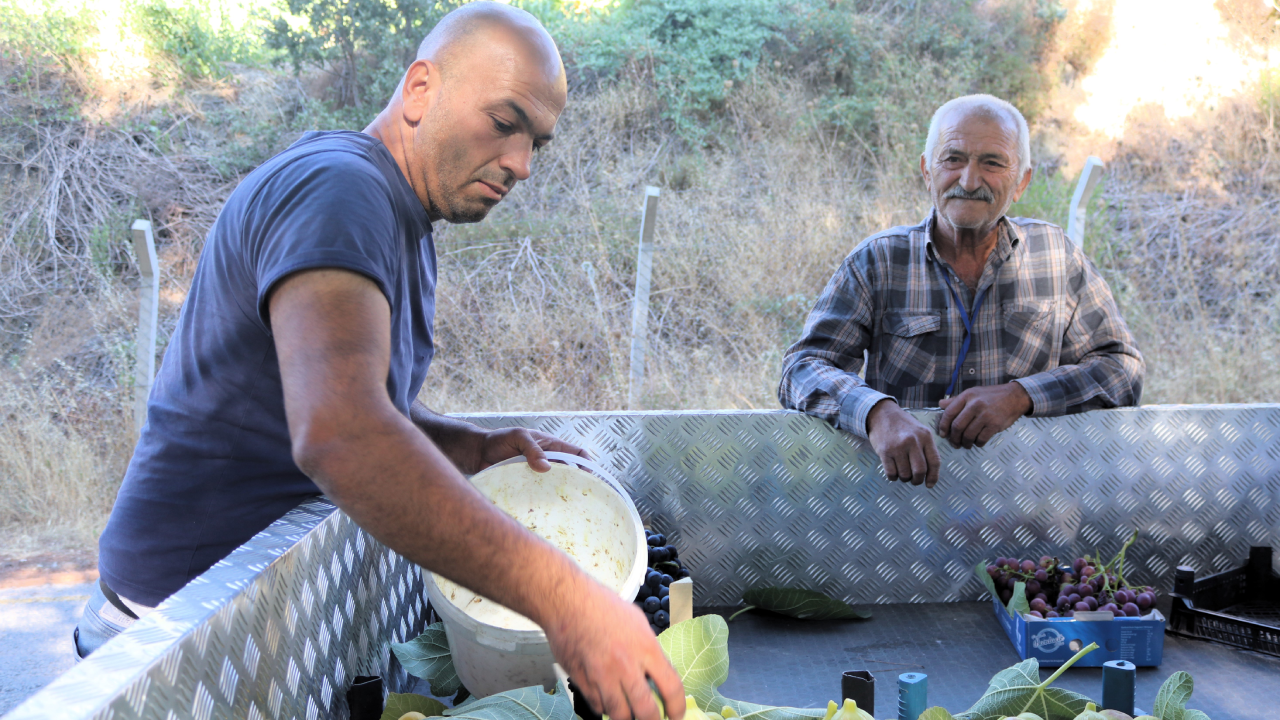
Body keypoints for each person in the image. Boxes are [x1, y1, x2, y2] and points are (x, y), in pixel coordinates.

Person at [80, 5, 685, 720]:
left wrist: (473, 446)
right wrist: (565, 599)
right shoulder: (339, 191)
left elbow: (356, 402)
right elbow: (343, 432)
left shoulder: (396, 215)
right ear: (421, 89)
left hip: (255, 613)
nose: (521, 163)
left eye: (536, 143)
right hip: (176, 637)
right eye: (503, 123)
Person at [778, 94, 1143, 489]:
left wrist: (1022, 395)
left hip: (1031, 505)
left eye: (992, 163)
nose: (969, 181)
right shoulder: (878, 261)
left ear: (1022, 181)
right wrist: (875, 412)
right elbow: (802, 368)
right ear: (926, 171)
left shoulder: (1058, 256)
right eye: (953, 159)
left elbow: (1121, 369)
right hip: (907, 507)